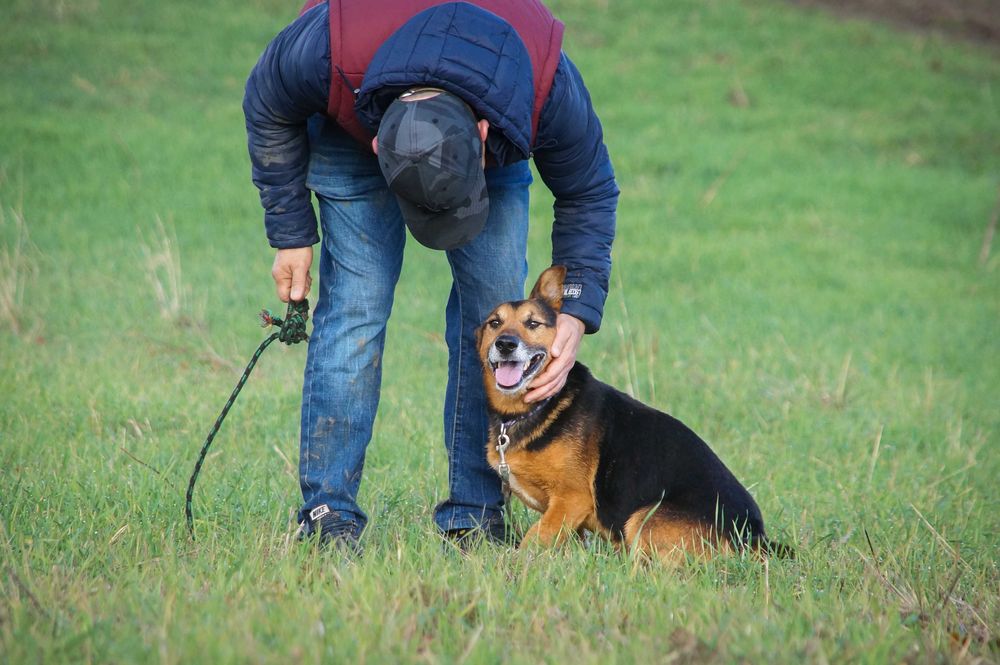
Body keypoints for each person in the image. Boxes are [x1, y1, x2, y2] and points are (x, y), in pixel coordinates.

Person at [243, 0, 619, 550]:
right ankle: (328, 517)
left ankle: (476, 516)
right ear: (379, 143)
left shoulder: (540, 78)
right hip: (354, 124)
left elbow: (588, 189)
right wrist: (291, 233)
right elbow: (266, 101)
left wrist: (577, 312)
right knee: (354, 311)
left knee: (495, 319)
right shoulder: (328, 50)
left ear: (483, 134)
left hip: (494, 119)